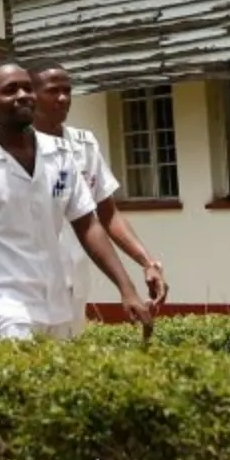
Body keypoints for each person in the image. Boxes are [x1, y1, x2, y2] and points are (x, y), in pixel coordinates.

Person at [0, 62, 153, 342]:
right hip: (4, 306)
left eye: (27, 88)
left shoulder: (60, 155)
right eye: (10, 90)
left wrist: (126, 288)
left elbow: (88, 225)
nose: (22, 95)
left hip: (57, 303)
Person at [31, 64, 171, 317]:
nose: (63, 98)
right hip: (28, 279)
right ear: (31, 95)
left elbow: (107, 214)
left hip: (75, 274)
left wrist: (147, 262)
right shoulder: (14, 149)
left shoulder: (83, 144)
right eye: (53, 91)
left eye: (67, 91)